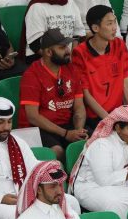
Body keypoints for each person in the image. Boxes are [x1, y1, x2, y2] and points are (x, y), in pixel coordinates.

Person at [69, 105, 128, 219]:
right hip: (92, 187)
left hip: (127, 185)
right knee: (116, 203)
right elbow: (104, 180)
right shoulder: (102, 145)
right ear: (117, 128)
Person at [18, 29, 86, 162]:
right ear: (49, 52)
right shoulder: (32, 75)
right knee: (57, 152)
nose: (67, 50)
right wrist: (66, 134)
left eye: (67, 46)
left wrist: (78, 131)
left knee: (93, 142)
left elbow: (79, 106)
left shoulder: (71, 69)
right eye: (62, 47)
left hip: (66, 125)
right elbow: (33, 117)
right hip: (38, 129)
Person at [73, 5, 128, 121]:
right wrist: (109, 120)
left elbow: (126, 82)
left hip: (119, 113)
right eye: (109, 24)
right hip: (96, 117)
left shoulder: (119, 44)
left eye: (114, 22)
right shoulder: (79, 53)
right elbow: (86, 95)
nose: (114, 28)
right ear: (96, 28)